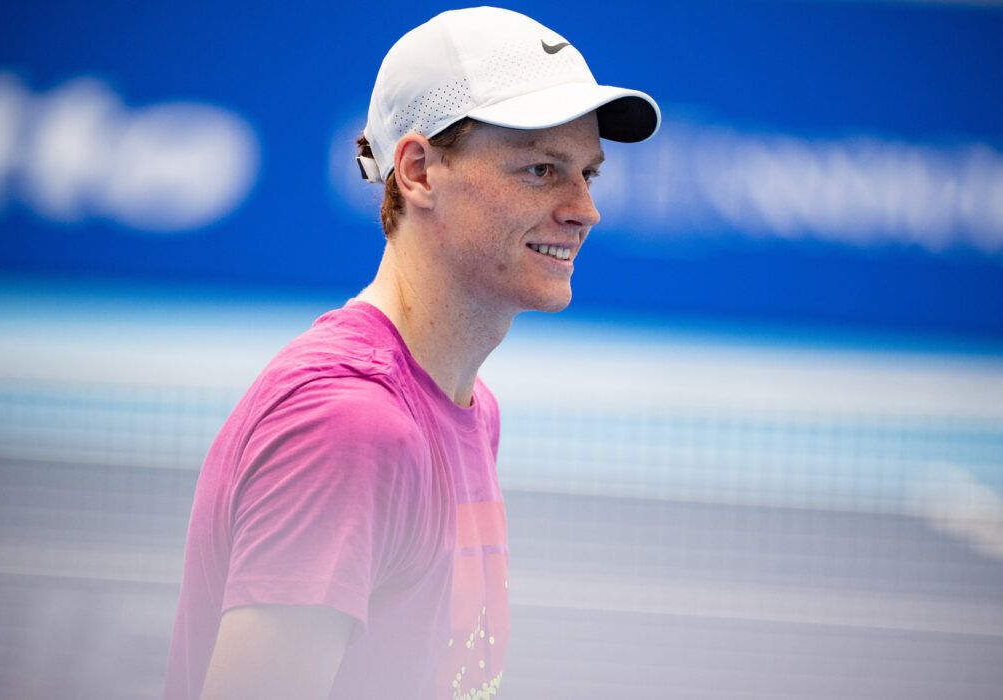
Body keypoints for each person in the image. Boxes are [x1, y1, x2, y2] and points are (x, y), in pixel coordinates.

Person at [164, 6, 659, 699]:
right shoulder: (348, 428)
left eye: (588, 175)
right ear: (419, 171)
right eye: (543, 170)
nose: (585, 208)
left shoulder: (470, 407)